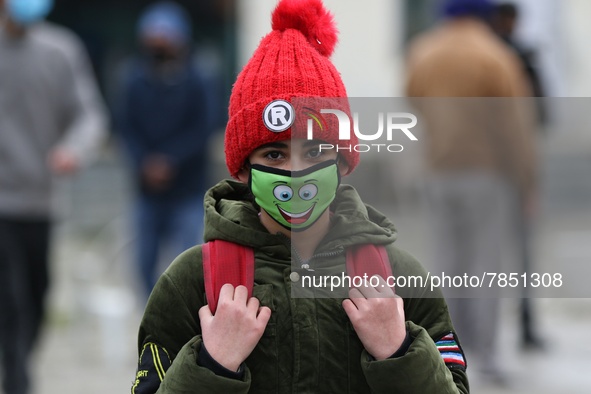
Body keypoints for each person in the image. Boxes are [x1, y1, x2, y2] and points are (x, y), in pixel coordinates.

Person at [131, 0, 469, 392]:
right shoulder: (191, 283)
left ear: (343, 161)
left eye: (314, 152)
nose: (295, 172)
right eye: (274, 154)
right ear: (242, 169)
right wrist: (212, 365)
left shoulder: (399, 280)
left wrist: (399, 352)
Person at [405, 0, 537, 386]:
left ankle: (447, 351)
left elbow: (412, 100)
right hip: (486, 173)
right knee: (485, 264)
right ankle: (487, 355)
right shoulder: (494, 55)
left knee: (446, 261)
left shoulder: (423, 51)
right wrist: (526, 179)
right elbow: (515, 124)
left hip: (437, 170)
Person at [0, 0, 108, 392]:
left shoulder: (61, 51)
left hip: (42, 201)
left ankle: (18, 364)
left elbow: (90, 115)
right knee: (10, 300)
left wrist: (74, 150)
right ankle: (17, 380)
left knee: (35, 295)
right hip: (2, 203)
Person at [114, 1, 216, 298]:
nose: (159, 47)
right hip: (147, 190)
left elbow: (203, 128)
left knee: (187, 260)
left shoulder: (199, 78)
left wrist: (171, 160)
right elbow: (125, 127)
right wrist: (144, 162)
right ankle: (153, 316)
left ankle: (185, 317)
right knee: (143, 262)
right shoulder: (133, 79)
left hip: (186, 188)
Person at [490, 1, 546, 350]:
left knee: (490, 253)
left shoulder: (494, 57)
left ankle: (497, 331)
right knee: (518, 251)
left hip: (489, 169)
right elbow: (537, 116)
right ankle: (522, 326)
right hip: (507, 170)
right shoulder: (516, 60)